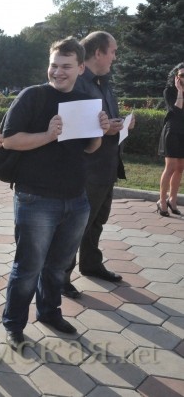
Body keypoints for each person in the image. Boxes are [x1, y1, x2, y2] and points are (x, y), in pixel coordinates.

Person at [0, 37, 110, 353]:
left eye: (66, 66)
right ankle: (14, 325)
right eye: (54, 65)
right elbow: (9, 140)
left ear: (80, 68)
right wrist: (48, 135)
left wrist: (99, 132)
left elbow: (89, 147)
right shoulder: (32, 96)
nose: (58, 72)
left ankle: (49, 312)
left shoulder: (85, 100)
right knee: (28, 268)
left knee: (58, 267)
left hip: (76, 199)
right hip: (35, 198)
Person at [62, 31, 135, 299]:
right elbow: (72, 126)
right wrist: (105, 128)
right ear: (98, 53)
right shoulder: (79, 84)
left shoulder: (104, 83)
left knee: (97, 221)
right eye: (112, 52)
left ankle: (91, 263)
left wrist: (121, 124)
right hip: (87, 169)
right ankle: (61, 278)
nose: (115, 57)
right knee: (76, 225)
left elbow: (106, 119)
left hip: (106, 165)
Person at [157, 62, 184, 217]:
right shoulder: (169, 91)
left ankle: (172, 199)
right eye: (182, 75)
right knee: (171, 166)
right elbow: (176, 110)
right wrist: (180, 91)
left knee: (180, 167)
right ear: (176, 77)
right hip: (172, 132)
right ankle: (162, 201)